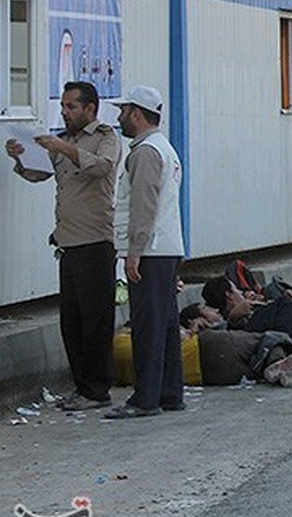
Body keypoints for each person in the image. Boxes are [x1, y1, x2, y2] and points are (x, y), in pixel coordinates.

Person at [5, 82, 122, 411]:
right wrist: (20, 158)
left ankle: (97, 390)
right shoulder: (64, 140)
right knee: (72, 322)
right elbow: (39, 174)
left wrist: (63, 147)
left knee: (95, 320)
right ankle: (82, 387)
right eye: (64, 107)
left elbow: (102, 168)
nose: (66, 112)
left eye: (72, 107)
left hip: (95, 241)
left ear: (90, 108)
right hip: (68, 242)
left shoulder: (105, 137)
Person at [105, 85, 185, 419]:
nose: (120, 117)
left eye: (123, 111)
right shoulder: (163, 148)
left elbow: (143, 206)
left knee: (147, 325)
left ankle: (146, 398)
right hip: (166, 248)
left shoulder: (145, 152)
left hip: (150, 251)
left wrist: (133, 252)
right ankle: (169, 393)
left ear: (137, 114)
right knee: (165, 324)